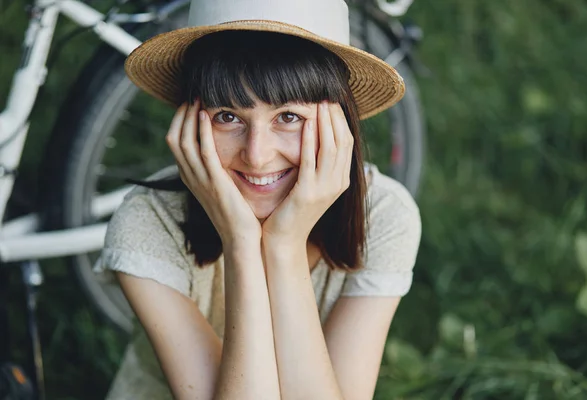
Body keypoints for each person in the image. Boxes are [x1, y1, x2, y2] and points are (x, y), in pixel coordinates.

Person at [95, 0, 422, 398]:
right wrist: (242, 243)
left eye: (288, 117)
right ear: (187, 124)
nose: (257, 154)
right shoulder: (146, 223)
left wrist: (283, 246)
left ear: (340, 125)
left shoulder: (385, 216)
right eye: (228, 117)